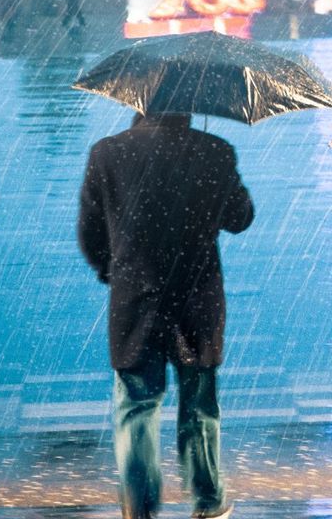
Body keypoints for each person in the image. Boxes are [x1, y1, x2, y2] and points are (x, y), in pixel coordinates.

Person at [78, 112, 254, 519]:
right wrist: (216, 173)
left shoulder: (106, 153)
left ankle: (139, 507)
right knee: (198, 404)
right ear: (189, 105)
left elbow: (90, 234)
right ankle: (208, 502)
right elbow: (241, 219)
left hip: (135, 300)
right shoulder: (215, 152)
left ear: (138, 103)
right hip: (196, 300)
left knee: (137, 404)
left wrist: (114, 271)